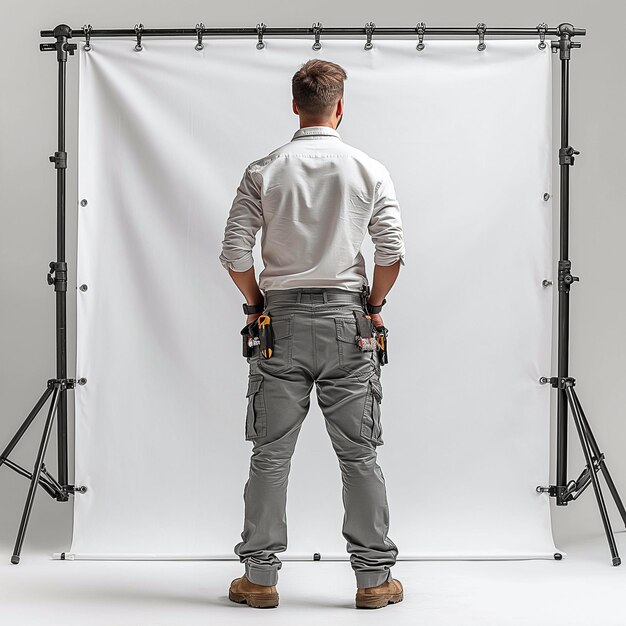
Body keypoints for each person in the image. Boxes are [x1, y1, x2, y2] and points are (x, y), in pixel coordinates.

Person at [219, 58, 405, 610]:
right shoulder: (369, 169)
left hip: (281, 324)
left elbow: (233, 251)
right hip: (349, 324)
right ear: (340, 107)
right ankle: (373, 582)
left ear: (295, 105)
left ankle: (259, 579)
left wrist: (256, 304)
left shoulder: (265, 169)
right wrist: (373, 306)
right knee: (360, 456)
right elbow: (392, 252)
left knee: (271, 456)